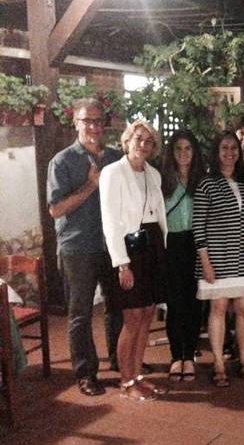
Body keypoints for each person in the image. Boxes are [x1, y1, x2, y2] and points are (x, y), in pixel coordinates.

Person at [46, 98, 122, 396]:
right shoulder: (62, 161)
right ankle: (86, 373)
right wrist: (91, 185)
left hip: (111, 245)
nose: (93, 126)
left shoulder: (115, 157)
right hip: (77, 246)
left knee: (116, 306)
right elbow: (56, 209)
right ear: (75, 124)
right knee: (80, 313)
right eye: (86, 121)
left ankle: (120, 359)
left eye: (98, 121)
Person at [100, 120, 168, 401]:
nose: (143, 144)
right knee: (132, 318)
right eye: (138, 138)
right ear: (127, 140)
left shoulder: (153, 173)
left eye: (149, 141)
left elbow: (157, 213)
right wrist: (122, 264)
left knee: (148, 313)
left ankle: (138, 375)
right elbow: (110, 222)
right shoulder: (112, 172)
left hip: (152, 246)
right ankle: (126, 382)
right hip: (128, 250)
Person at [193, 132, 244, 387]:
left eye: (234, 148)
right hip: (216, 257)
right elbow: (198, 226)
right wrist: (206, 263)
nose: (230, 152)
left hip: (242, 256)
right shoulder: (206, 184)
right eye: (224, 148)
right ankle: (218, 363)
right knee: (218, 309)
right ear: (216, 152)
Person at [160, 130, 205, 382]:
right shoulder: (162, 180)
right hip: (172, 243)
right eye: (178, 148)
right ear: (172, 152)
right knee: (175, 303)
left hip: (197, 244)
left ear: (195, 151)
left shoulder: (202, 180)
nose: (183, 153)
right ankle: (176, 355)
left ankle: (190, 355)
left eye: (188, 148)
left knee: (194, 302)